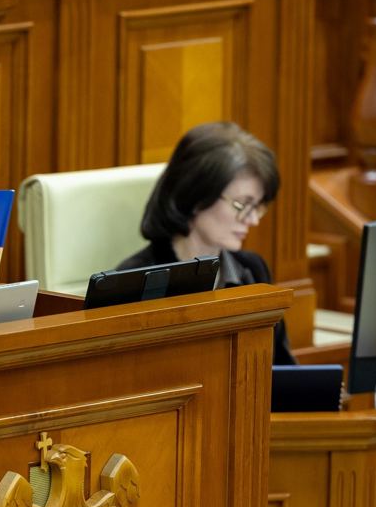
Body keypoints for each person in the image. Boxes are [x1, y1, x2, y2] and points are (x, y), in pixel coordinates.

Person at [118, 121, 295, 364]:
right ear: (197, 195)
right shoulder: (133, 281)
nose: (253, 220)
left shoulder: (252, 271)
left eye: (258, 207)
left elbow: (281, 370)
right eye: (242, 205)